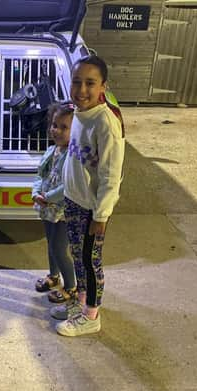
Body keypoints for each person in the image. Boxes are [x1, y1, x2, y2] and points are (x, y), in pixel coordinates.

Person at [55, 56, 126, 337]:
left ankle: (92, 316)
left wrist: (101, 215)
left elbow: (111, 175)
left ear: (103, 87)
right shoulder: (78, 114)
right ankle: (82, 304)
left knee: (90, 261)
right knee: (78, 257)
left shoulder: (106, 123)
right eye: (76, 81)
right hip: (74, 201)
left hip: (91, 210)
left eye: (90, 83)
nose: (81, 89)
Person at [32, 102, 77, 307]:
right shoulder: (52, 150)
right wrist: (36, 192)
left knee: (60, 249)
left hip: (62, 211)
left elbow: (68, 186)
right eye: (54, 125)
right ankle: (53, 276)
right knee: (50, 244)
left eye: (64, 127)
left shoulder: (74, 155)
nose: (56, 130)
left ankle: (71, 286)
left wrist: (48, 196)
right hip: (47, 207)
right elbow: (40, 175)